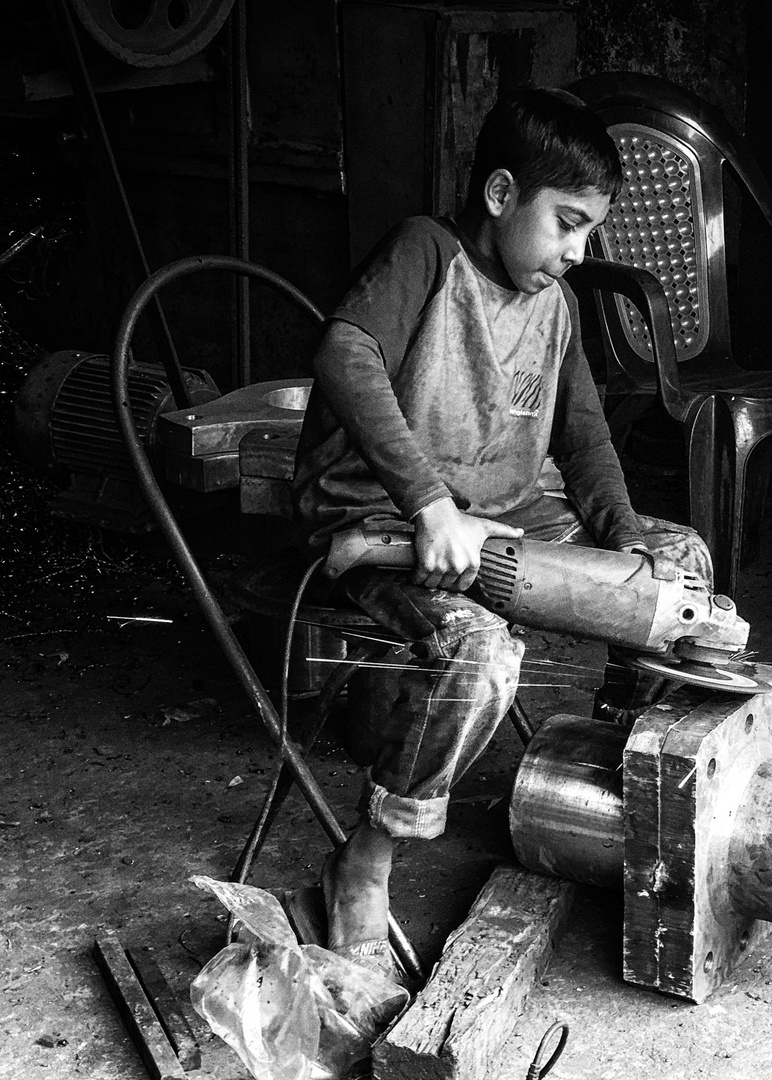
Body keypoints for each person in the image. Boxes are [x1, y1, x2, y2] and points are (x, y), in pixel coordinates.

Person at [291, 87, 710, 980]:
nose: (575, 251)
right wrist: (428, 505)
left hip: (508, 515)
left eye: (589, 231)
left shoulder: (553, 305)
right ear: (499, 195)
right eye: (564, 223)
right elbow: (342, 352)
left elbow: (584, 432)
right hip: (383, 517)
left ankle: (609, 798)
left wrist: (632, 542)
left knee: (682, 572)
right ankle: (364, 862)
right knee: (480, 655)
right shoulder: (425, 252)